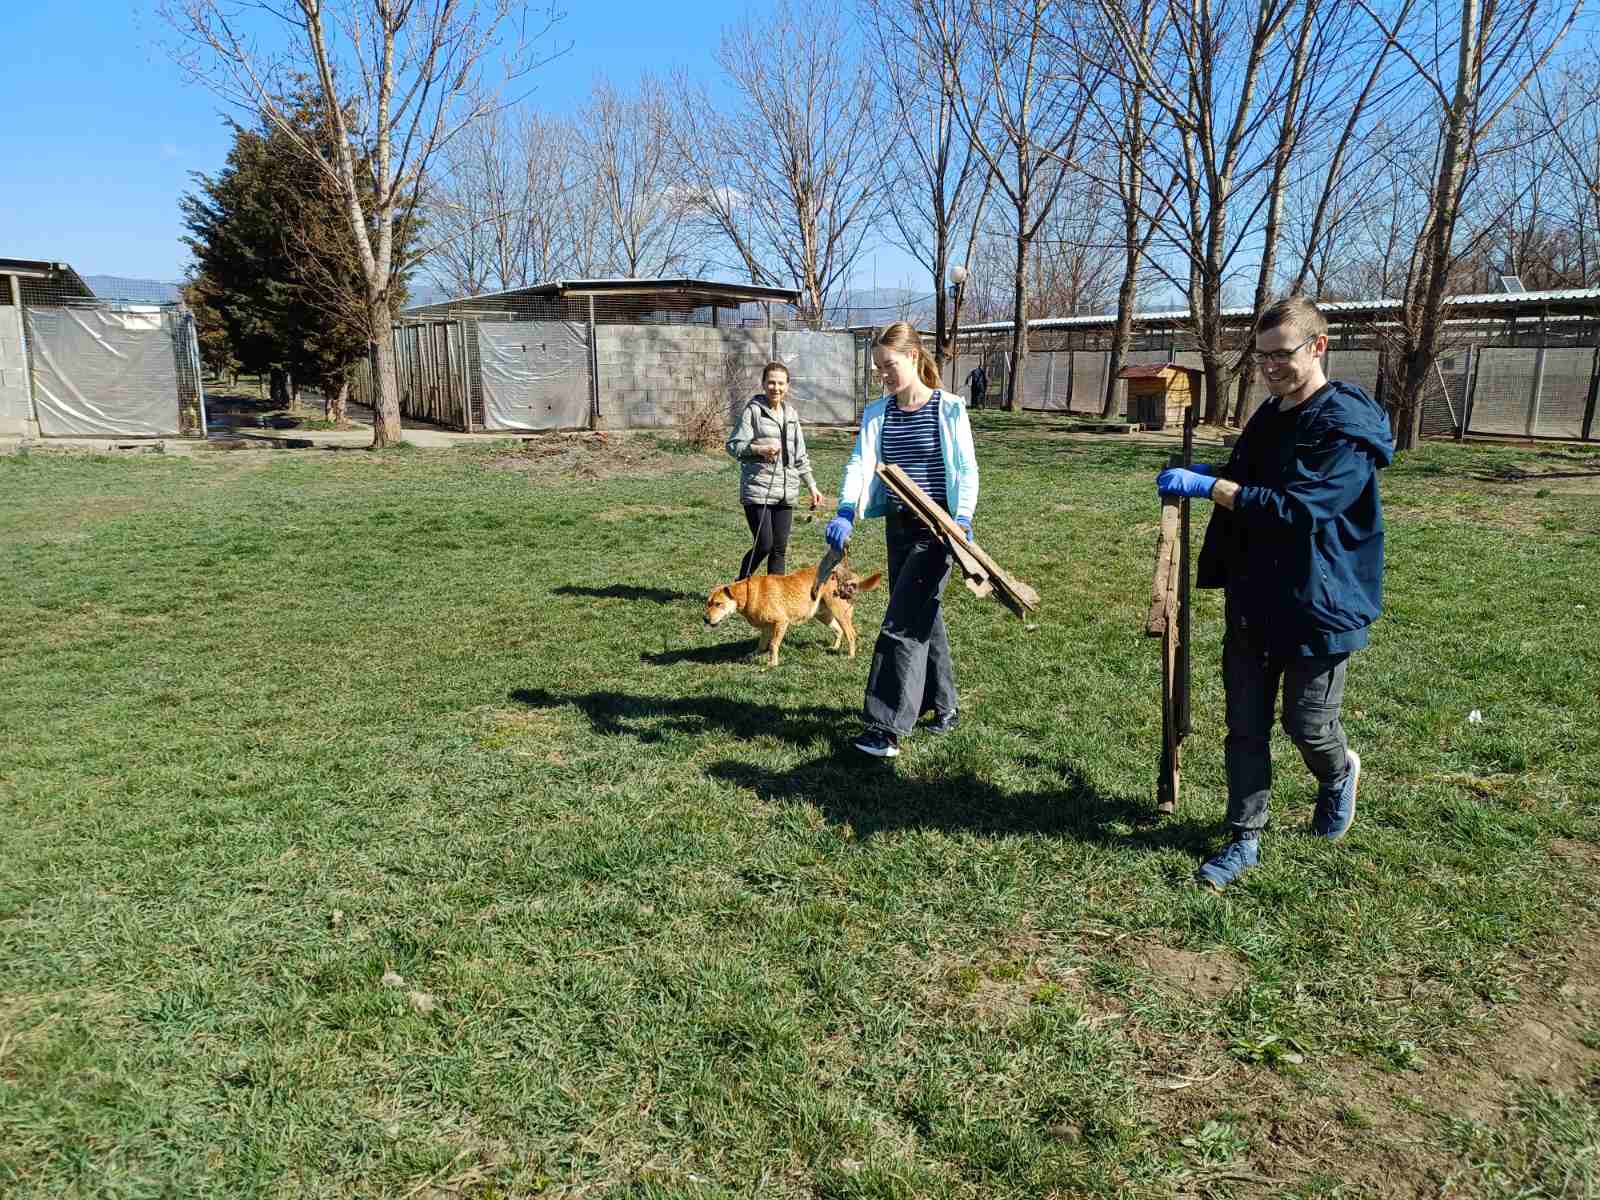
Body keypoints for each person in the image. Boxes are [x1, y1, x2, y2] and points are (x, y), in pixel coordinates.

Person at [1157, 295, 1394, 889]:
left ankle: (1338, 774)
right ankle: (1244, 837)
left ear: (1318, 346)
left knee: (1307, 722)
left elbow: (1300, 509)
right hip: (1255, 593)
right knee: (1245, 722)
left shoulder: (1346, 427)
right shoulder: (1271, 414)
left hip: (1320, 600)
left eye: (1279, 356)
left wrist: (1210, 487)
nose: (1267, 369)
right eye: (1259, 358)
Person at [826, 322, 979, 759]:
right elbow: (861, 462)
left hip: (940, 533)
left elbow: (965, 469)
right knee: (920, 616)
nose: (884, 375)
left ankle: (884, 726)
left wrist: (962, 520)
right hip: (899, 528)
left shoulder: (948, 409)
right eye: (878, 369)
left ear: (913, 357)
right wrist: (845, 509)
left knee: (900, 624)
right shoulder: (880, 412)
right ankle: (943, 704)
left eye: (889, 365)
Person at [726, 361, 823, 580]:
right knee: (764, 544)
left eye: (780, 383)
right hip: (758, 489)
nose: (775, 388)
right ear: (763, 384)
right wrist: (759, 449)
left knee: (779, 549)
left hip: (786, 491)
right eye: (771, 382)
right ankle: (739, 587)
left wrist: (812, 486)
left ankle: (774, 598)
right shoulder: (753, 411)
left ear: (787, 386)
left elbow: (800, 456)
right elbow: (733, 446)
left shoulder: (791, 415)